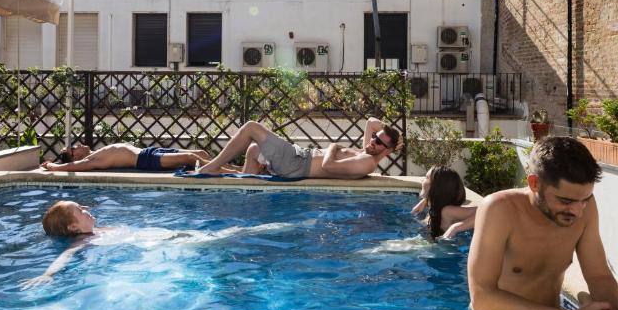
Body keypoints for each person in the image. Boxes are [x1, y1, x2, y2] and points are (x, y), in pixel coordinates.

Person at [467, 136, 618, 310]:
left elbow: (598, 275)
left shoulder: (584, 207)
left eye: (585, 200)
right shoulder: (499, 209)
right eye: (566, 201)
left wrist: (615, 309)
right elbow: (482, 297)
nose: (577, 211)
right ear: (534, 183)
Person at [194, 117, 402, 179]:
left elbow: (329, 166)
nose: (372, 140)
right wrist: (395, 136)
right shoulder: (366, 152)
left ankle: (210, 168)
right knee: (254, 151)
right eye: (374, 137)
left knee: (251, 127)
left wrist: (333, 146)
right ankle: (238, 177)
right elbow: (370, 122)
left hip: (296, 164)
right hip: (297, 159)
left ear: (386, 151)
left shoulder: (366, 162)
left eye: (377, 141)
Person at [21, 200, 102, 288]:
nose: (87, 208)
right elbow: (66, 255)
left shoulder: (96, 231)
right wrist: (48, 274)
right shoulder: (82, 241)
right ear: (73, 227)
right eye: (80, 209)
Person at [40, 142, 217, 173]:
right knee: (190, 158)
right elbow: (71, 168)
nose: (78, 146)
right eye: (74, 148)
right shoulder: (90, 161)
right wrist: (52, 167)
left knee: (199, 154)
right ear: (74, 157)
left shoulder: (95, 154)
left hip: (149, 152)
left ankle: (230, 167)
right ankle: (231, 170)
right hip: (144, 160)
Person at [411, 166, 479, 240]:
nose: (422, 180)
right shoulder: (434, 207)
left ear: (436, 186)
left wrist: (456, 227)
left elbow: (485, 212)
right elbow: (415, 212)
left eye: (426, 177)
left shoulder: (447, 211)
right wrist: (427, 199)